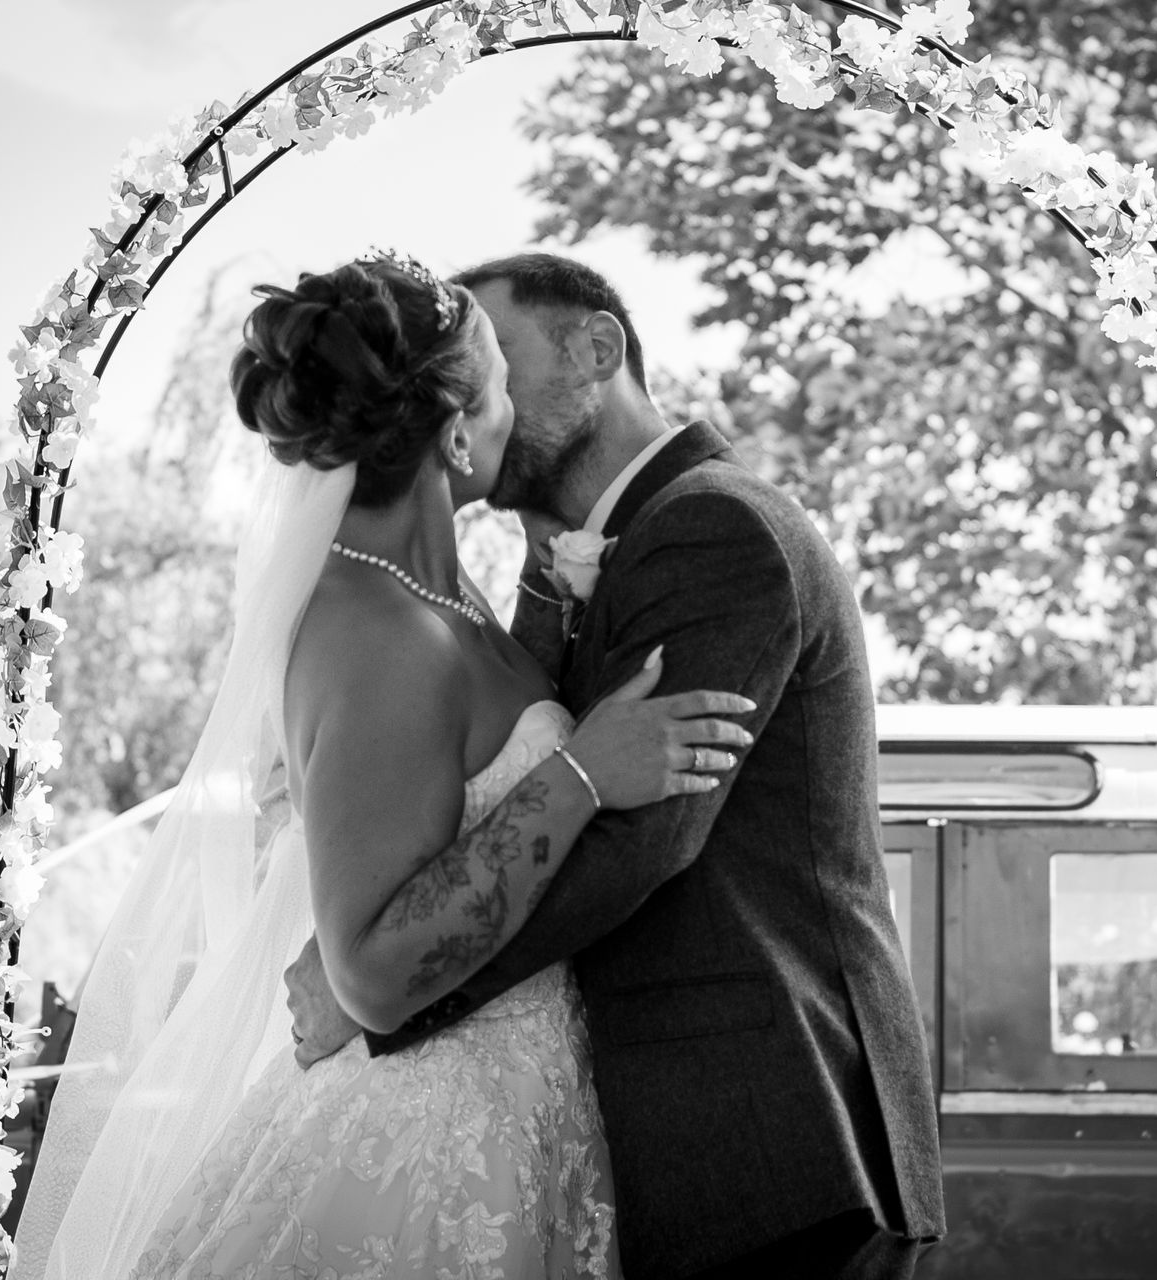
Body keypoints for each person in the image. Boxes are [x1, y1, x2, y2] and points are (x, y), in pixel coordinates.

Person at [12, 251, 755, 1280]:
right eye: (501, 386)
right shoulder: (380, 630)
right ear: (456, 430)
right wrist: (580, 775)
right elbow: (367, 966)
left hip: (519, 1104)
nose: (515, 411)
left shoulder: (437, 599)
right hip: (427, 1137)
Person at [289, 253, 947, 1279]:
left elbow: (645, 838)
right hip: (643, 1142)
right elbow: (469, 803)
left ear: (598, 348)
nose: (472, 392)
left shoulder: (713, 526)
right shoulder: (530, 576)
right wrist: (371, 930)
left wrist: (386, 980)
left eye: (496, 357)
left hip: (771, 1137)